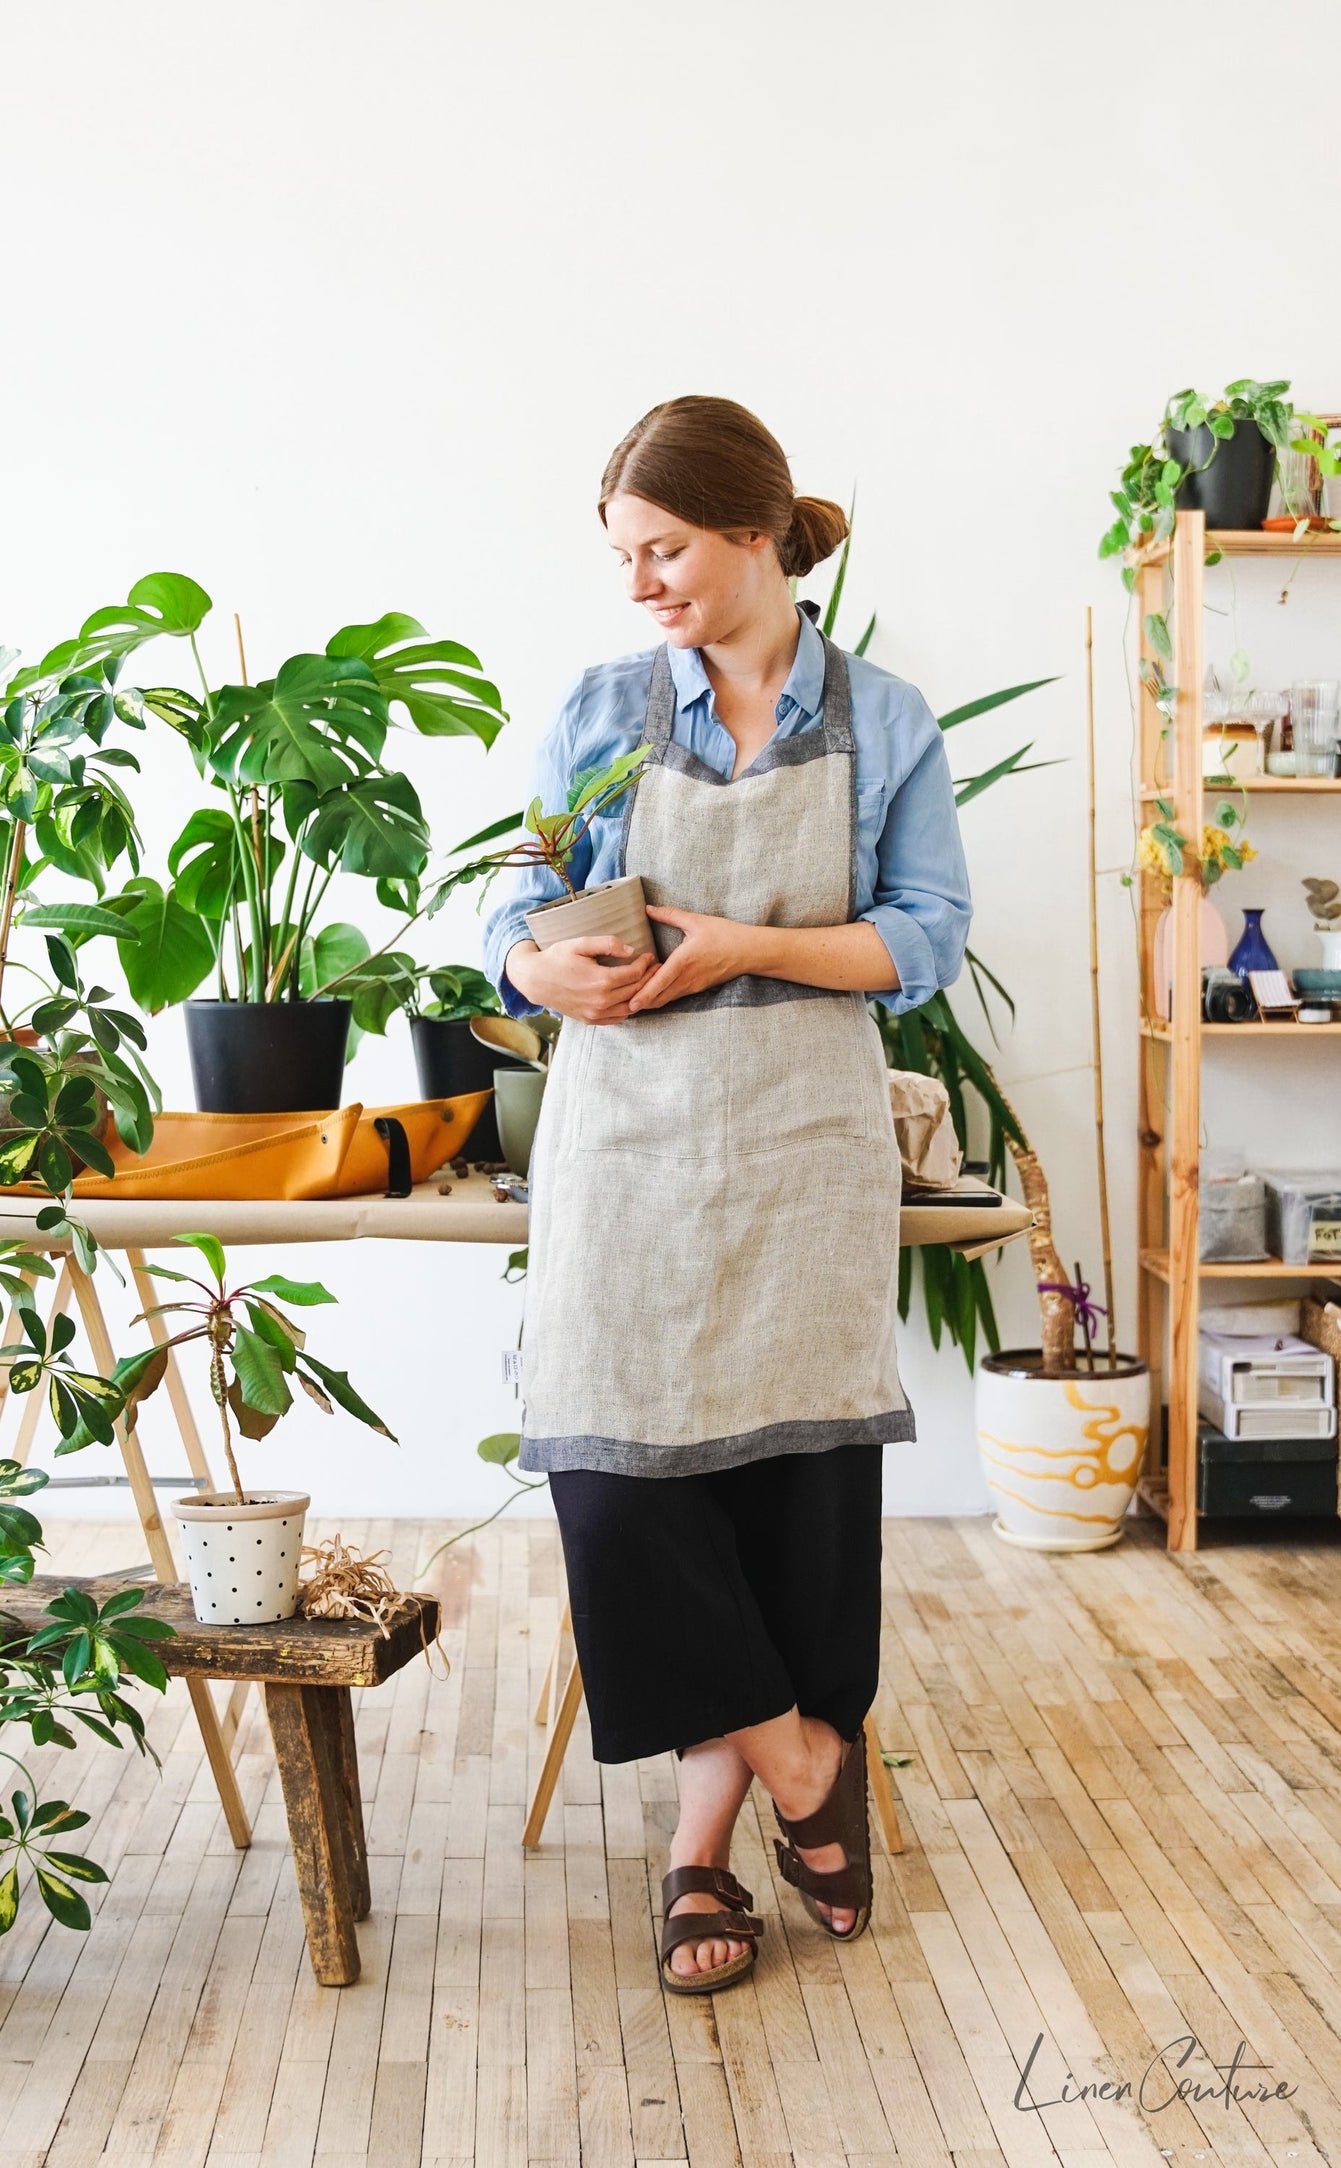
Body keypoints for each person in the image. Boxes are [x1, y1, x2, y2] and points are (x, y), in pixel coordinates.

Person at [482, 395, 971, 1994]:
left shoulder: (882, 718)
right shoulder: (604, 707)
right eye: (624, 557)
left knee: (786, 1491)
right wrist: (531, 959)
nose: (640, 586)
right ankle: (806, 1764)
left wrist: (743, 946)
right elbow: (517, 893)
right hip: (626, 1143)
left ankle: (698, 1853)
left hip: (798, 1145)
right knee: (616, 1471)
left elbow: (921, 937)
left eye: (663, 549)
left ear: (753, 533)